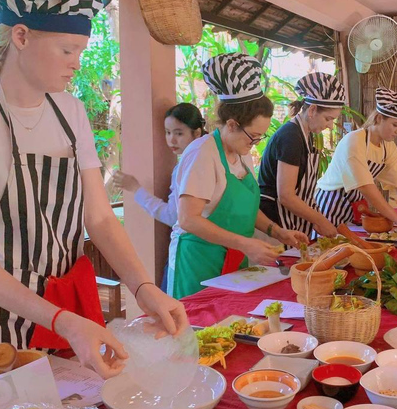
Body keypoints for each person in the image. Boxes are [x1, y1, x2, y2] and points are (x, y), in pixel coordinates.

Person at [0, 0, 187, 390]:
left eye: (80, 52)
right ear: (21, 36)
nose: (76, 63)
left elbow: (100, 218)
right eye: (67, 50)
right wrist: (67, 323)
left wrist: (145, 288)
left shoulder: (69, 110)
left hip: (62, 304)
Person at [169, 53, 309, 299]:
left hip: (233, 256)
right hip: (199, 259)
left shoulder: (241, 152)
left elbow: (245, 209)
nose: (255, 143)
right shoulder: (203, 153)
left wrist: (277, 232)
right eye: (253, 136)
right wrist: (244, 243)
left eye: (260, 137)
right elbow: (188, 219)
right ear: (231, 124)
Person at [113, 103, 206, 291]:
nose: (171, 140)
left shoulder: (187, 166)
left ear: (196, 133)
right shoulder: (207, 157)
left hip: (189, 253)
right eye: (167, 132)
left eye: (179, 133)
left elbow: (173, 216)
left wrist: (136, 189)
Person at [315, 87, 397, 232]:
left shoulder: (389, 148)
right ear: (379, 118)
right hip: (329, 205)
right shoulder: (354, 141)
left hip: (353, 207)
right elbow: (366, 188)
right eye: (395, 125)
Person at [258, 73, 345, 239]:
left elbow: (303, 190)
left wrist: (317, 219)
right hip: (273, 223)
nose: (330, 125)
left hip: (292, 223)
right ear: (312, 110)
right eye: (328, 118)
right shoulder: (290, 136)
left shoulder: (307, 135)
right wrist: (321, 220)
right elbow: (286, 196)